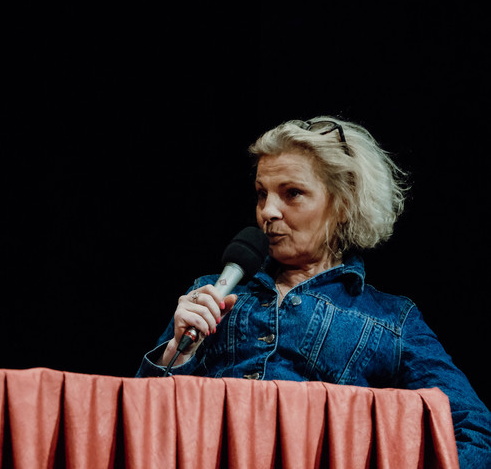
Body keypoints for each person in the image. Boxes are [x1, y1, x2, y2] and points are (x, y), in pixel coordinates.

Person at [136, 116, 490, 467]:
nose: (268, 211)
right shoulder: (209, 294)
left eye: (292, 193)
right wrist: (177, 355)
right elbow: (140, 424)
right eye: (262, 194)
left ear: (343, 205)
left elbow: (474, 430)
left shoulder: (390, 319)